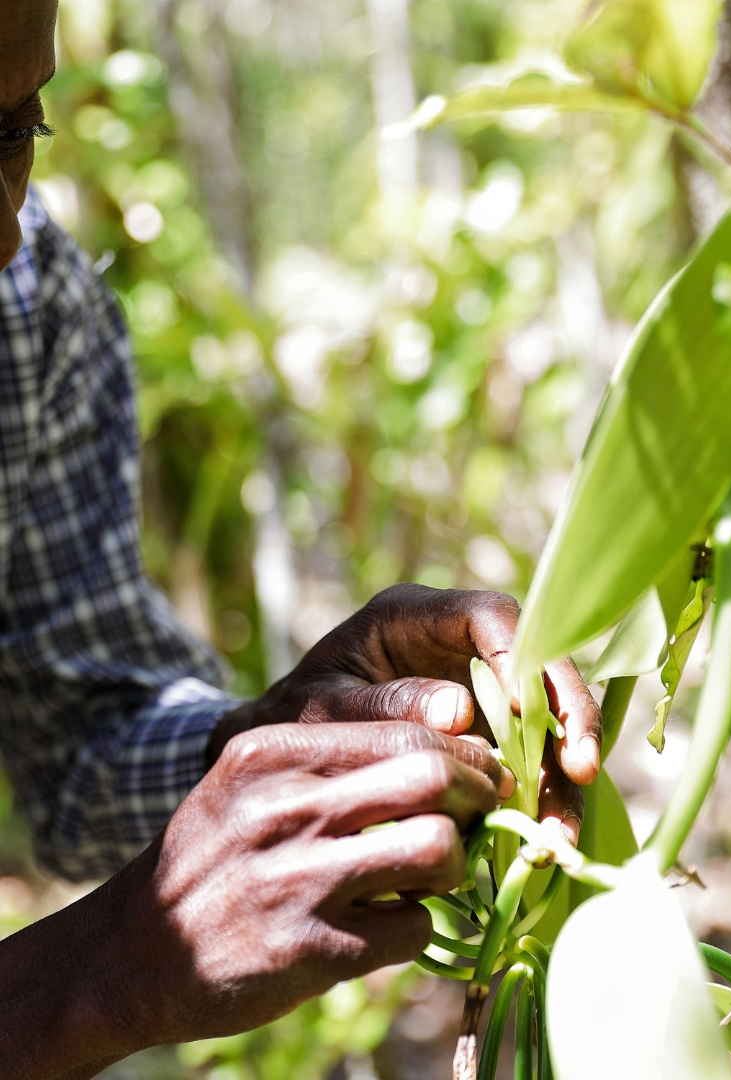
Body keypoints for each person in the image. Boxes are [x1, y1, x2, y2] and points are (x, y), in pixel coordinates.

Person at [0, 3, 602, 1077]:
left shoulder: (29, 317)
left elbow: (76, 737)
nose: (0, 233)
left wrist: (273, 738)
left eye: (13, 132)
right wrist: (86, 979)